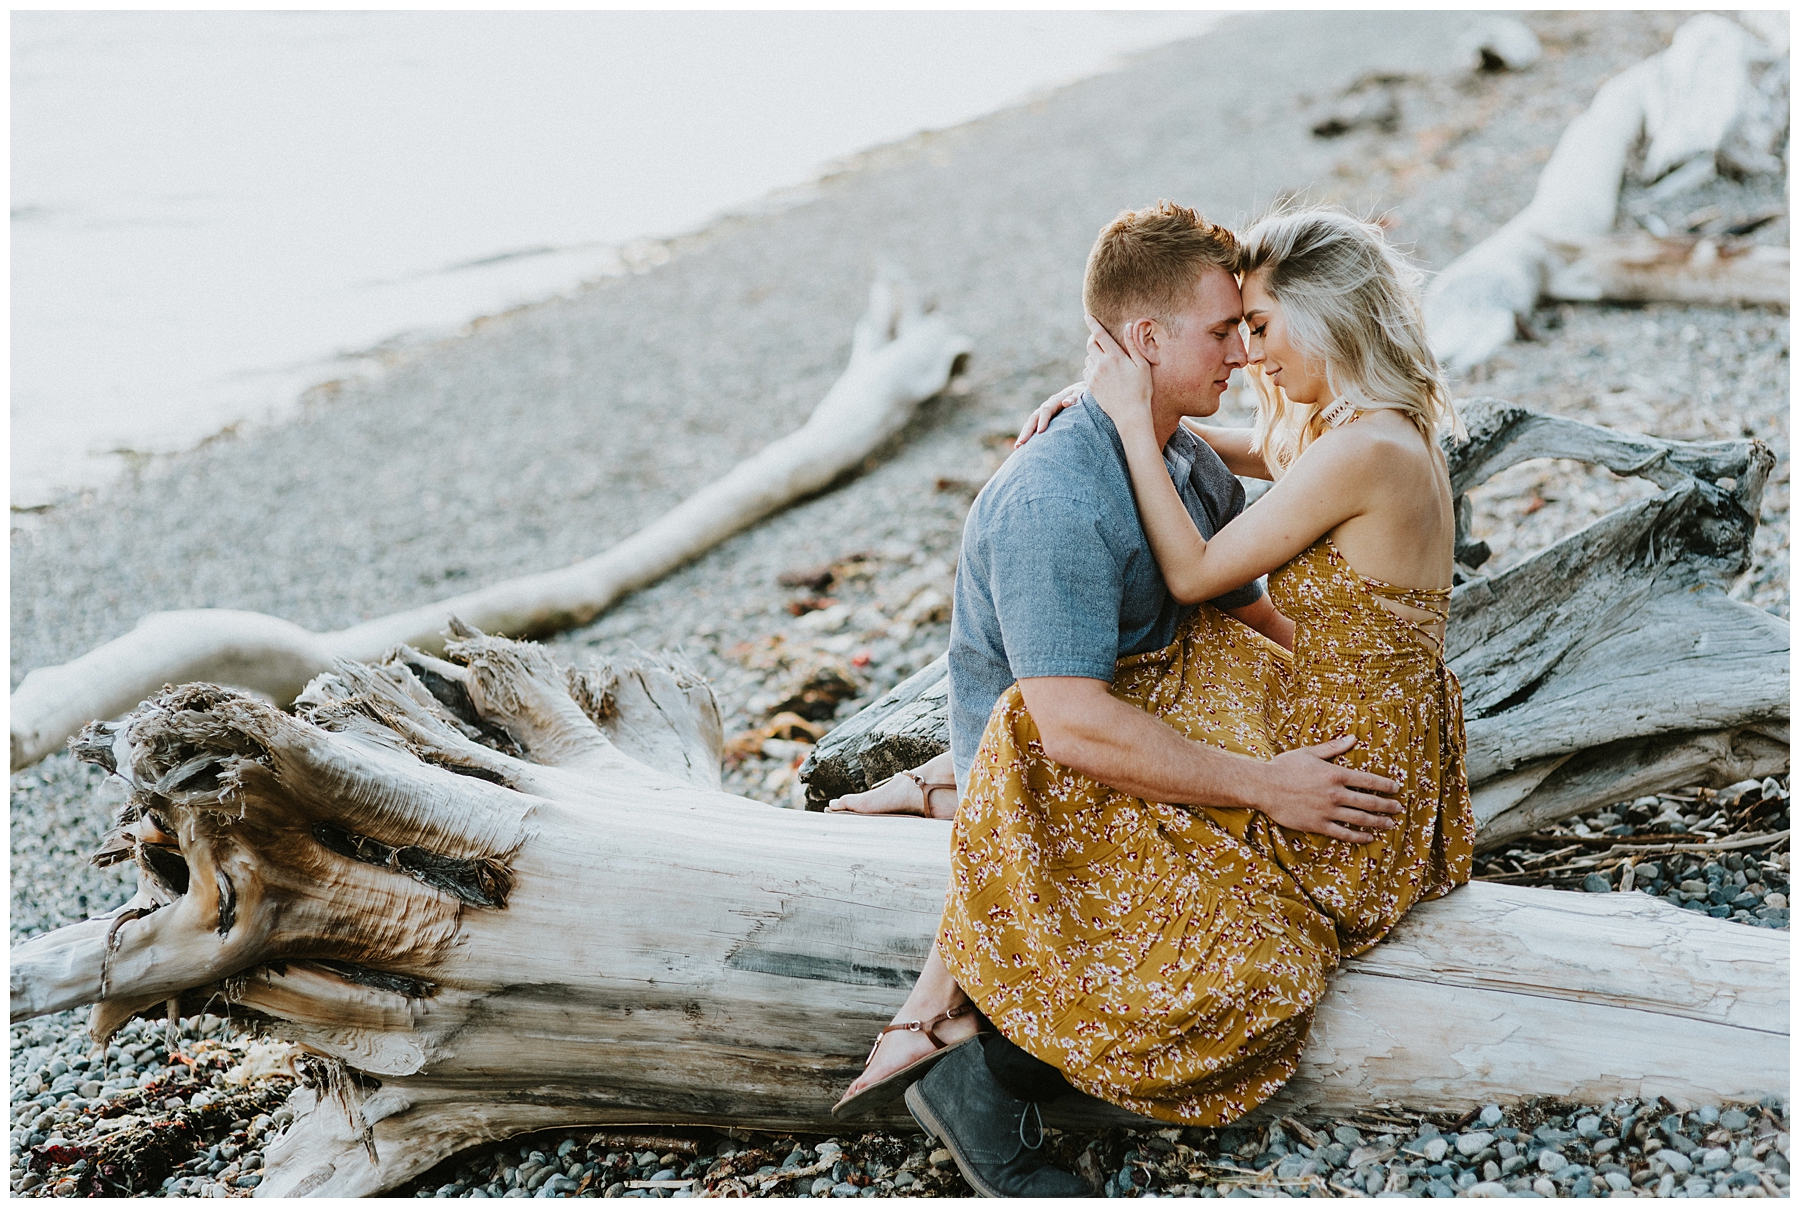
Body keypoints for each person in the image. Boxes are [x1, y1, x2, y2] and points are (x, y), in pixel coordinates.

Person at [834, 201, 1443, 1196]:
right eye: (1222, 331)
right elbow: (1067, 725)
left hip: (1154, 706)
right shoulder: (1057, 502)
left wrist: (1353, 691)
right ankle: (981, 1084)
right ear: (1145, 340)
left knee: (1307, 881)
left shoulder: (1180, 447)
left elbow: (1241, 592)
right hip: (1055, 755)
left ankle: (933, 806)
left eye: (1252, 329)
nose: (1243, 357)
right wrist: (1264, 785)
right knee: (1256, 959)